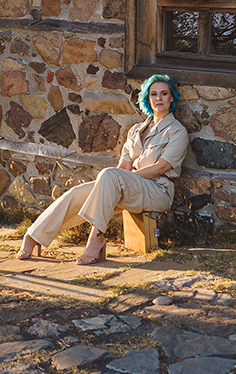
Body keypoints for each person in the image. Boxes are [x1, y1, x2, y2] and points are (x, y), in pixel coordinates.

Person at [17, 73, 189, 265]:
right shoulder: (136, 130)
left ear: (171, 97)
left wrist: (121, 179)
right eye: (154, 94)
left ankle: (96, 238)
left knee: (109, 175)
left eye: (164, 94)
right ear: (147, 99)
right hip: (129, 186)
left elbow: (160, 168)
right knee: (76, 193)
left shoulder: (177, 131)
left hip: (157, 191)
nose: (159, 98)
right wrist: (115, 183)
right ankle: (33, 236)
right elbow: (123, 165)